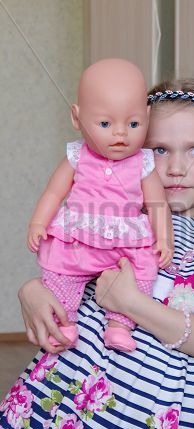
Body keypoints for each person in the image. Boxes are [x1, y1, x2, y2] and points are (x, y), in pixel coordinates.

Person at [0, 77, 194, 429]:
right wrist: (31, 289)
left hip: (157, 413)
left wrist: (130, 303)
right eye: (159, 149)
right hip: (72, 389)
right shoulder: (116, 219)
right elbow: (66, 271)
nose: (176, 167)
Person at [26, 58, 173, 352]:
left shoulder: (143, 162)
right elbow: (54, 193)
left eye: (133, 123)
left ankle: (119, 325)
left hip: (126, 244)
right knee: (61, 272)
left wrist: (164, 238)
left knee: (144, 271)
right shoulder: (77, 156)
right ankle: (62, 320)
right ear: (77, 118)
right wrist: (39, 222)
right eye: (105, 124)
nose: (120, 134)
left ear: (146, 116)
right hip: (81, 238)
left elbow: (158, 203)